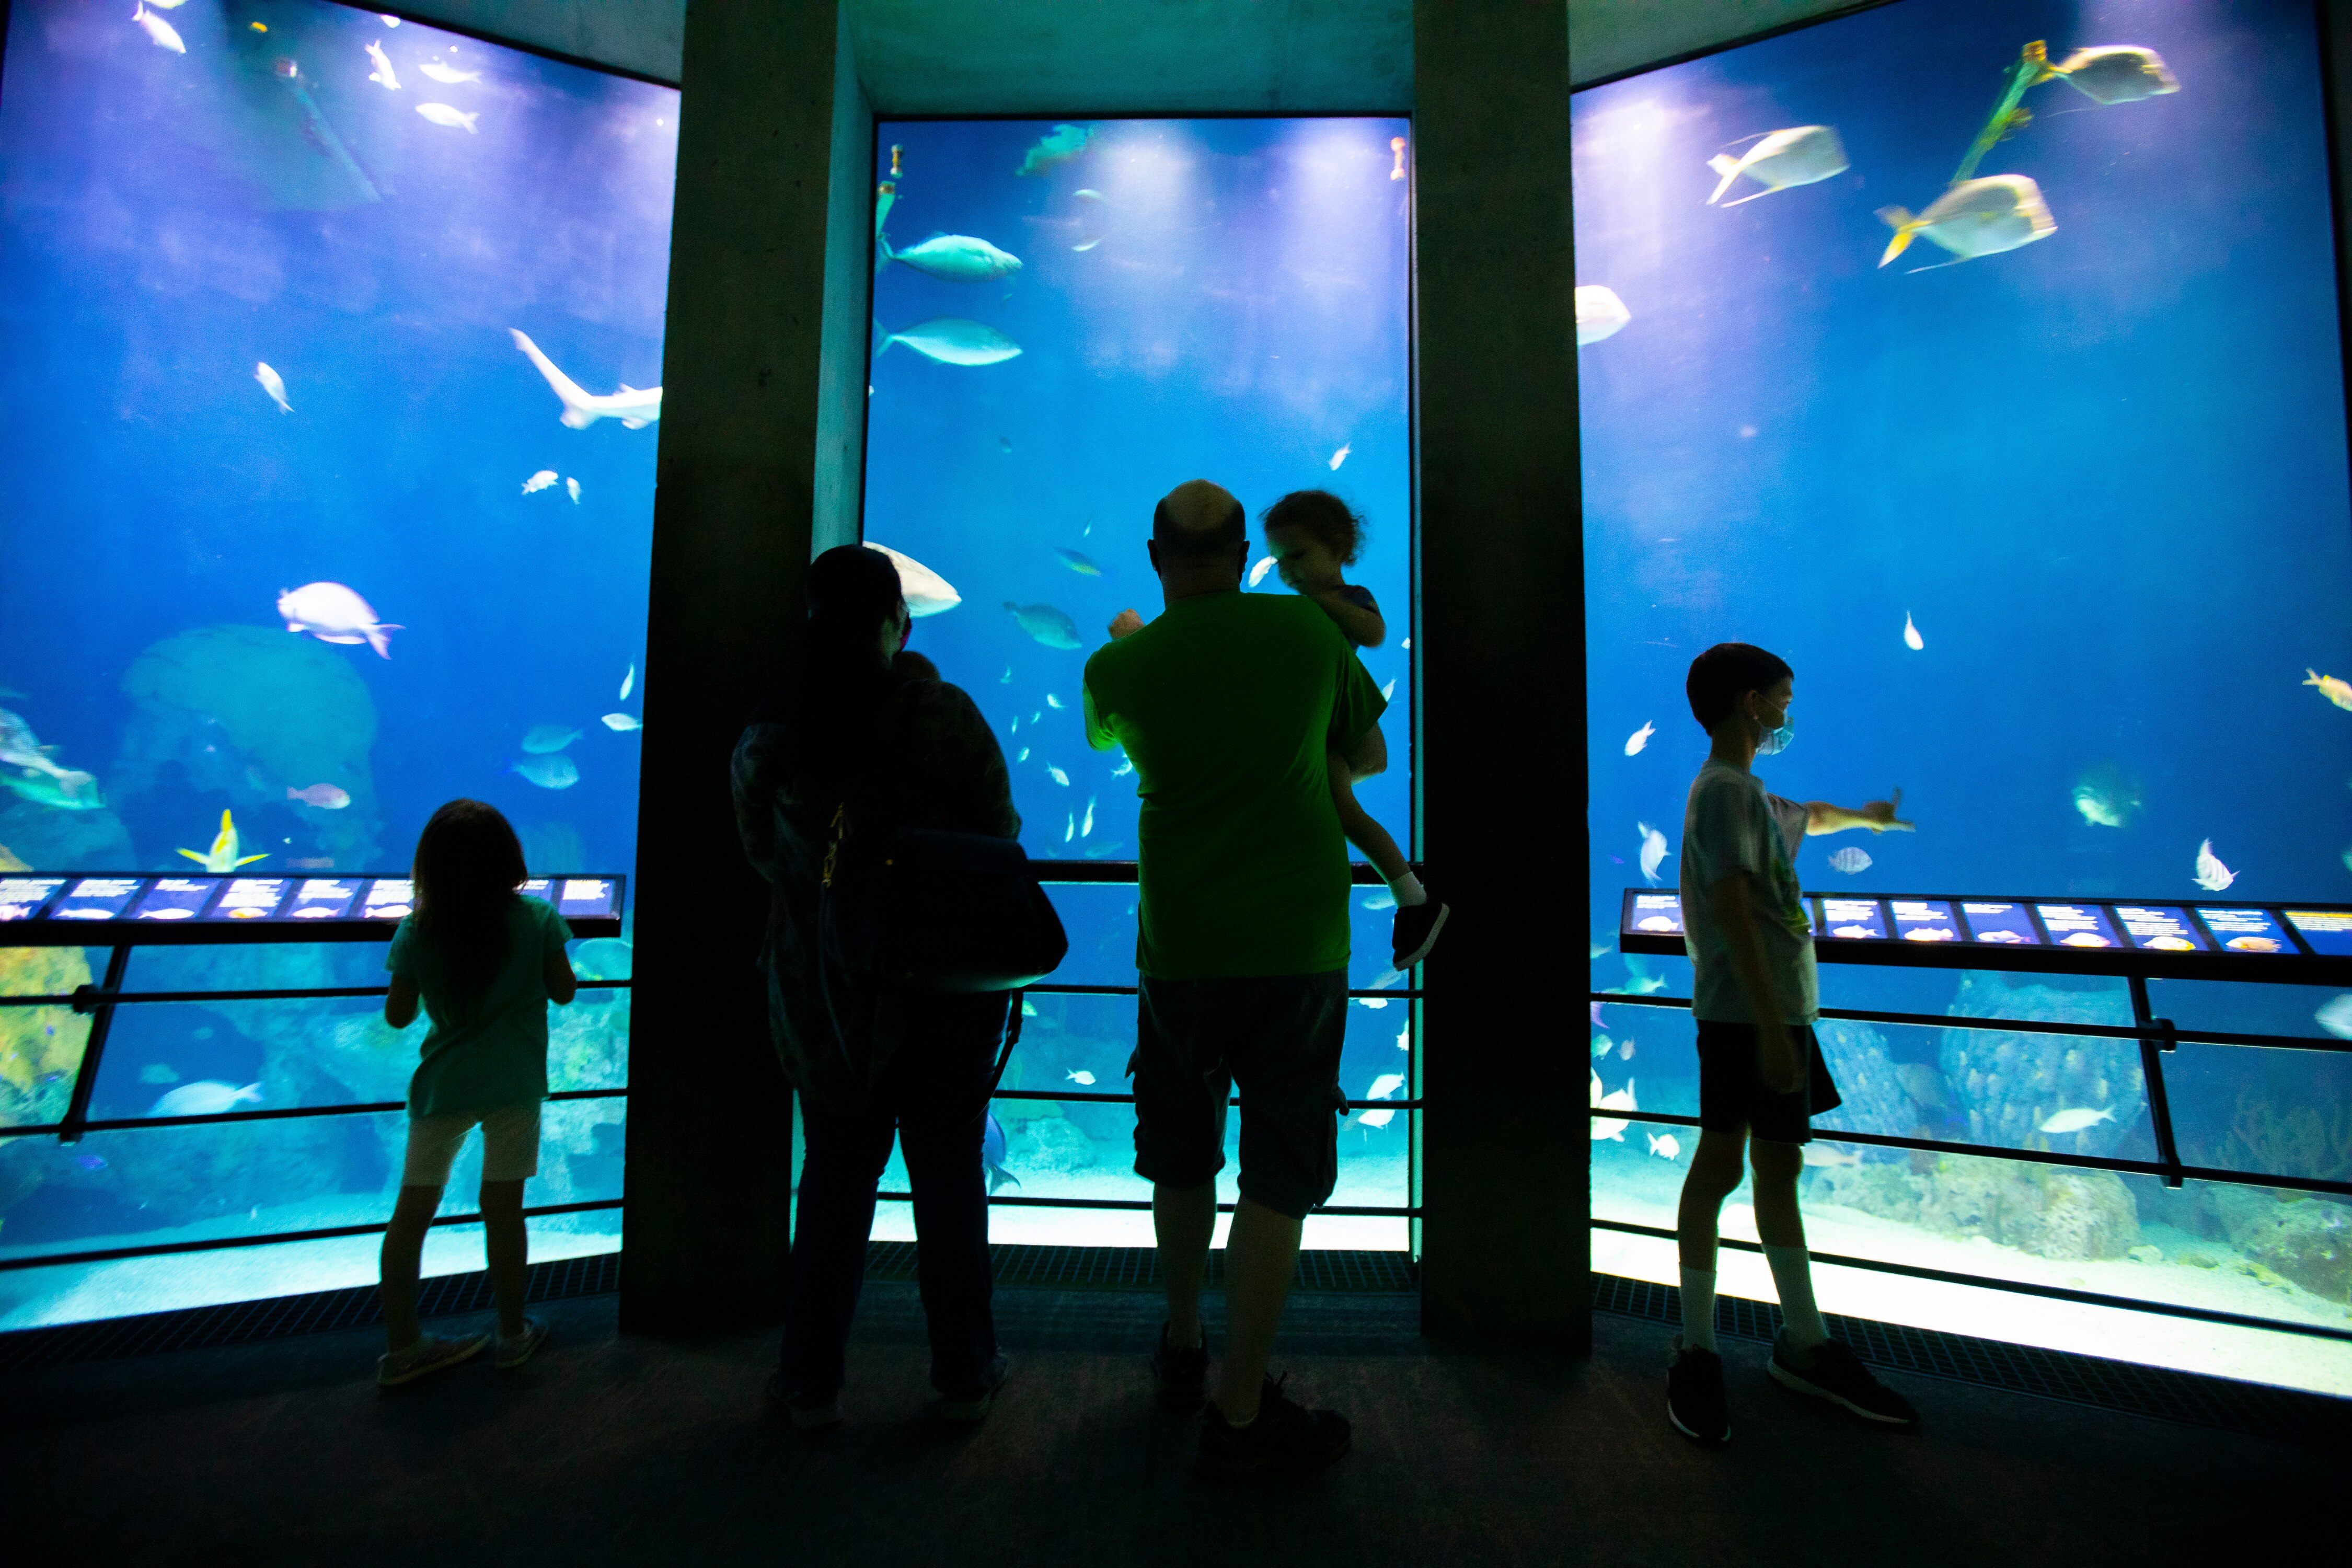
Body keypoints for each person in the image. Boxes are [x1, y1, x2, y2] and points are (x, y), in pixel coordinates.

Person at [1086, 479, 1385, 1480]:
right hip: (1300, 944)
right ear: (1245, 550)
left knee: (1181, 1153)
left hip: (1182, 947)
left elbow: (1118, 733)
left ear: (1156, 553)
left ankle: (1181, 1343)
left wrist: (1143, 641)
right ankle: (1243, 1410)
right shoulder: (1308, 637)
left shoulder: (1118, 665)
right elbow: (1365, 752)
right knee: (1279, 1175)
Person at [733, 543, 1020, 1430]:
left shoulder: (771, 733)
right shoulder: (943, 716)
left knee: (832, 1183)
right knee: (948, 1181)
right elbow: (1001, 831)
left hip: (829, 1001)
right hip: (942, 991)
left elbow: (758, 856)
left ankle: (807, 1381)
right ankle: (966, 1373)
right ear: (899, 620)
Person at [1666, 642, 1919, 1445]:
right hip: (1749, 1020)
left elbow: (1804, 815)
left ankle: (1804, 1342)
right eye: (1781, 698)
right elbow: (1734, 908)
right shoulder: (1721, 795)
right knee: (1720, 1165)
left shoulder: (1746, 794)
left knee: (1780, 1165)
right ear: (1749, 702)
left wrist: (1866, 817)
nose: (1787, 712)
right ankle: (1696, 1349)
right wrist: (1776, 1031)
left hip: (1778, 1019)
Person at [376, 799, 577, 1388]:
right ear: (508, 858)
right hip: (514, 1085)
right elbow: (563, 992)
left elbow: (397, 1015)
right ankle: (513, 1334)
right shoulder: (538, 918)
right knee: (504, 1208)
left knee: (411, 1214)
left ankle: (403, 1346)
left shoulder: (417, 928)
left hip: (443, 1086)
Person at [1254, 489, 1445, 969]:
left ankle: (1415, 902)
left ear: (1339, 546)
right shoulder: (1298, 610)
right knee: (1326, 813)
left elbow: (1374, 632)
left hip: (1335, 730)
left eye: (1297, 555)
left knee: (1346, 816)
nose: (1287, 570)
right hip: (1320, 730)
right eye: (1279, 559)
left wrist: (1318, 603)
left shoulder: (1347, 600)